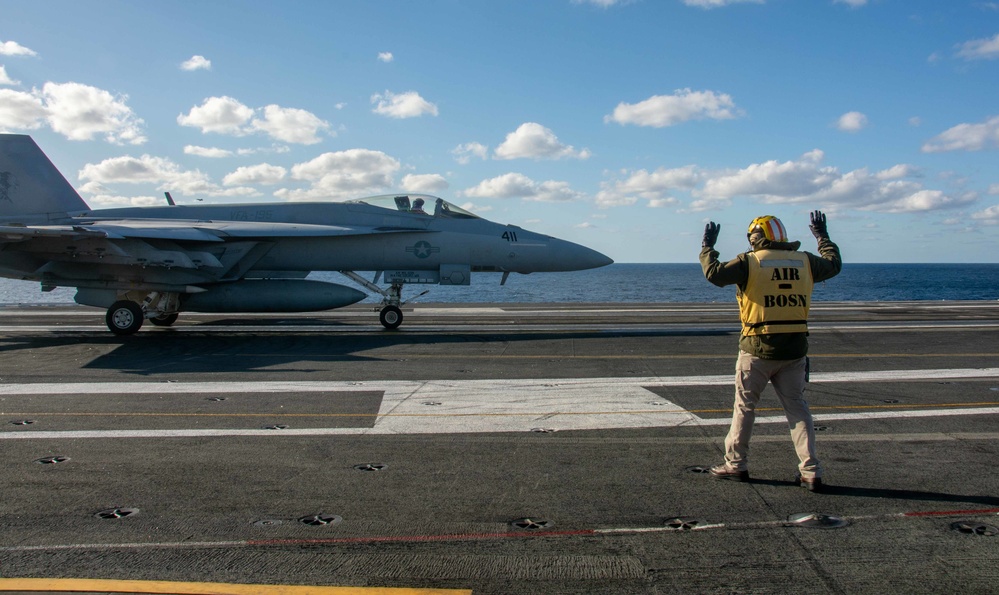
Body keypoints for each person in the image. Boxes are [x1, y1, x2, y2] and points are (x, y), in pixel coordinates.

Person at [700, 211, 841, 492]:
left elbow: (714, 274)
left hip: (756, 349)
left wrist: (707, 247)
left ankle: (736, 464)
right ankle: (811, 471)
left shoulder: (748, 262)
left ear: (756, 237)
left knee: (744, 408)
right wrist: (821, 236)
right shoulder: (806, 262)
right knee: (798, 410)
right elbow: (834, 264)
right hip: (794, 350)